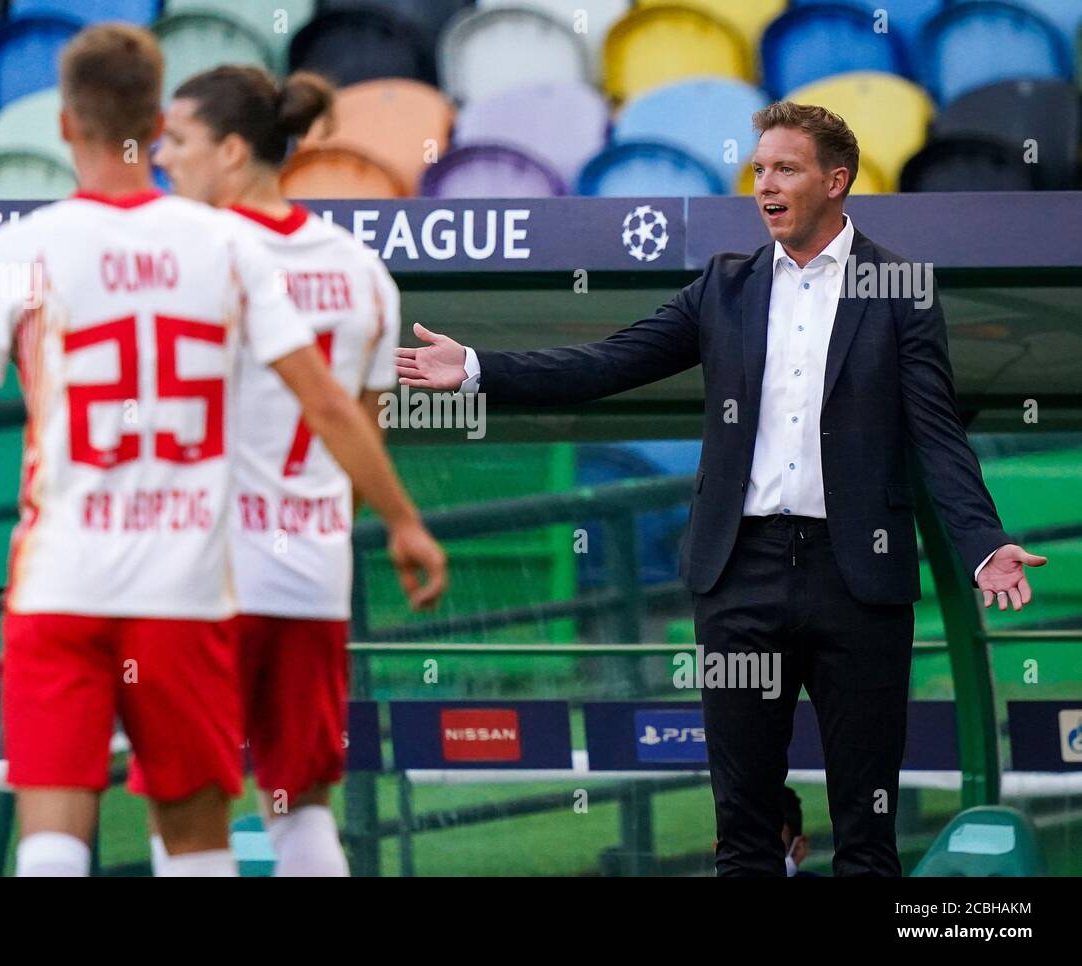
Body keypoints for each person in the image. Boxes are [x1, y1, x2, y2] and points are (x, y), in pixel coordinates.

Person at [395, 102, 1047, 877]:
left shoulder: (899, 288)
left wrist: (981, 544)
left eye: (786, 169)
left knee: (866, 836)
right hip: (740, 575)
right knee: (745, 832)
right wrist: (477, 368)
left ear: (836, 182)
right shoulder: (724, 287)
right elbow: (608, 363)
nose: (765, 185)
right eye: (759, 170)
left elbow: (936, 433)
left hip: (858, 582)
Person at [0, 23, 445, 878]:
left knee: (53, 831)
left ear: (63, 126)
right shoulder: (236, 248)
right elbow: (335, 407)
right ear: (153, 123)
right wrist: (405, 522)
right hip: (215, 581)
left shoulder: (23, 246)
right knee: (240, 825)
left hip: (84, 573)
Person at [132, 64, 406, 876]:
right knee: (297, 810)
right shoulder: (365, 273)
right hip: (312, 574)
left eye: (176, 140)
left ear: (232, 149)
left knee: (184, 816)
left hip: (202, 573)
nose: (159, 155)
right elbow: (363, 437)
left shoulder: (188, 256)